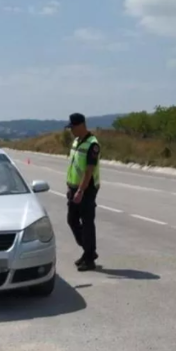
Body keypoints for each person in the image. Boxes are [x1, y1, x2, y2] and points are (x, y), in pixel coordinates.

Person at [64, 112, 101, 272]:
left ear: (81, 125)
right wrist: (70, 187)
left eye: (73, 127)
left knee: (87, 223)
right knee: (71, 220)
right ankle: (89, 251)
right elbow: (73, 166)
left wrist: (80, 191)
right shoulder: (76, 141)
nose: (71, 130)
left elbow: (89, 171)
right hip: (74, 187)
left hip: (86, 189)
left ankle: (89, 257)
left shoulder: (93, 144)